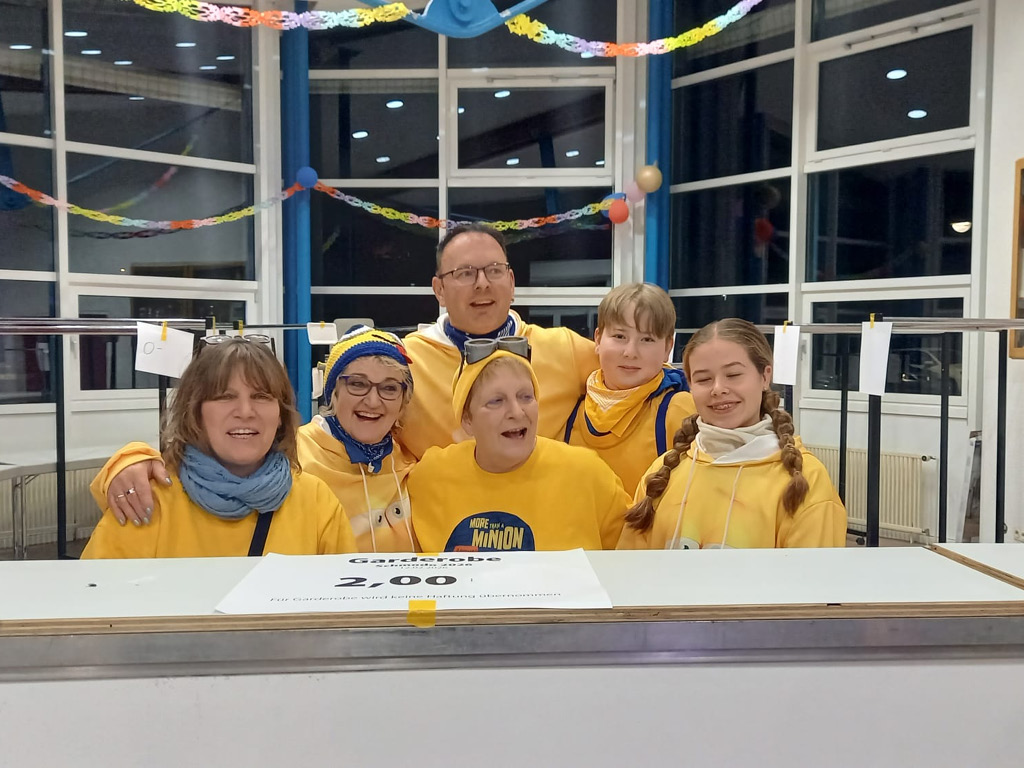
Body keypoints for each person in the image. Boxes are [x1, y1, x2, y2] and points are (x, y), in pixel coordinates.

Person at [82, 336, 357, 558]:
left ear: (280, 415)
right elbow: (94, 602)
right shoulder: (149, 500)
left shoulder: (315, 500)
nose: (245, 412)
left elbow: (345, 603)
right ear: (195, 412)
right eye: (225, 396)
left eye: (261, 396)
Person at [617, 318, 846, 550]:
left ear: (765, 376)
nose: (718, 389)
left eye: (734, 375)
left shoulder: (805, 481)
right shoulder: (662, 474)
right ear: (690, 385)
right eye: (704, 379)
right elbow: (630, 565)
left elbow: (812, 572)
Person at [408, 337, 629, 552]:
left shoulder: (588, 475)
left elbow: (634, 556)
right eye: (496, 401)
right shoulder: (430, 477)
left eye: (525, 397)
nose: (516, 412)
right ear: (467, 420)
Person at [399, 223, 599, 459]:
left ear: (511, 282)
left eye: (494, 270)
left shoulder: (565, 349)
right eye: (465, 273)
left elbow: (631, 398)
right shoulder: (406, 362)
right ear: (439, 289)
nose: (482, 283)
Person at [563, 282, 695, 495]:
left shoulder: (679, 410)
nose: (630, 352)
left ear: (667, 347)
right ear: (598, 339)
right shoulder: (569, 409)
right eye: (619, 336)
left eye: (647, 339)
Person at [297, 325, 417, 552]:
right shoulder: (295, 458)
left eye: (389, 388)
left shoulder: (410, 463)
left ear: (403, 401)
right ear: (334, 392)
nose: (373, 401)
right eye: (358, 384)